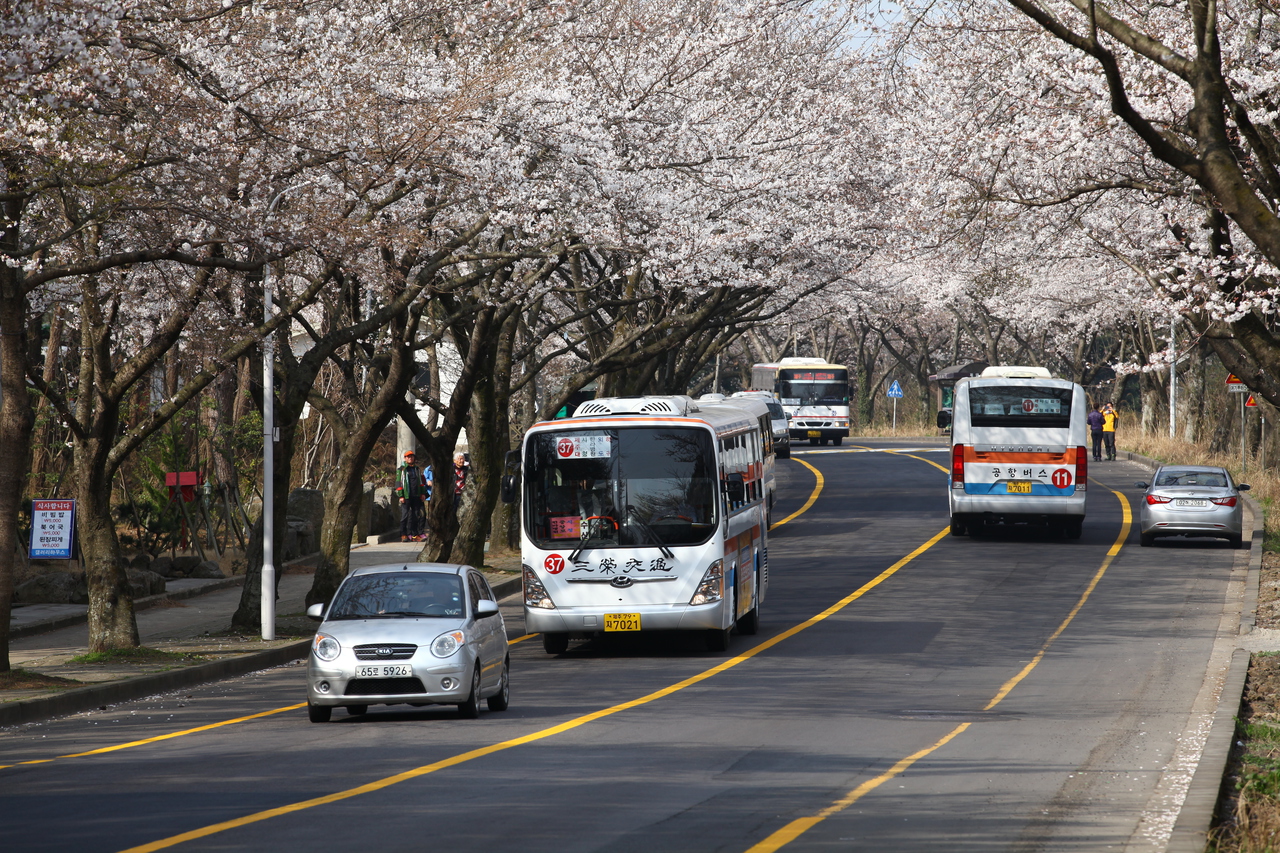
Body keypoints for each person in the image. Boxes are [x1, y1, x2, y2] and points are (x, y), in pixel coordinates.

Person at [395, 450, 427, 541]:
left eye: (412, 456)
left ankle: (414, 534)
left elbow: (420, 482)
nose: (410, 458)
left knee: (416, 515)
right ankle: (403, 534)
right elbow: (398, 483)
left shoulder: (417, 469)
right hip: (406, 496)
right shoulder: (401, 469)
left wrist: (422, 493)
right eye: (408, 457)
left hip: (416, 495)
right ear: (405, 458)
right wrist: (401, 495)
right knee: (405, 516)